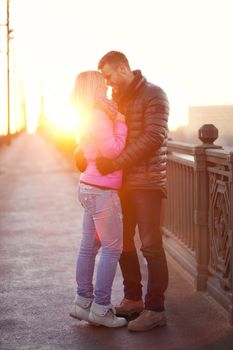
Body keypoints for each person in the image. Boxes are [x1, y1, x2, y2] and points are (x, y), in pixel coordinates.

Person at [76, 51, 170, 332]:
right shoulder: (114, 100)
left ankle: (155, 309)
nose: (106, 82)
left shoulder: (155, 94)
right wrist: (81, 152)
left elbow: (154, 137)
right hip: (119, 183)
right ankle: (132, 299)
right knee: (121, 243)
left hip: (148, 182)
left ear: (123, 68)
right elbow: (98, 131)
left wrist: (114, 162)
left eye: (108, 75)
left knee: (151, 245)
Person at [70, 70, 128, 328]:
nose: (106, 87)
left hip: (88, 185)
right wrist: (120, 122)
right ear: (93, 87)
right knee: (112, 248)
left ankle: (83, 304)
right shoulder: (97, 115)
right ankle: (101, 309)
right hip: (102, 190)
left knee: (88, 246)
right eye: (102, 83)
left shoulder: (85, 114)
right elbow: (113, 149)